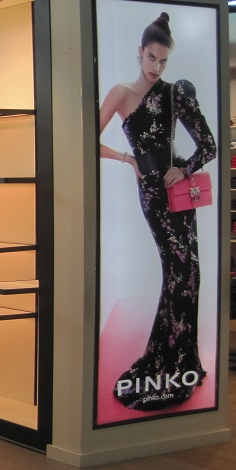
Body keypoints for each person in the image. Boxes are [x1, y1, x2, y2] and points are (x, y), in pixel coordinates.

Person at [98, 12, 216, 410]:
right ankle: (167, 359)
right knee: (179, 272)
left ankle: (180, 359)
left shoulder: (173, 93)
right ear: (140, 53)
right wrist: (126, 158)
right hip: (152, 195)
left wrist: (185, 168)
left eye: (163, 61)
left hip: (178, 191)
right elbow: (85, 136)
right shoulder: (121, 93)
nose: (157, 67)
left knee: (189, 273)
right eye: (151, 58)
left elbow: (209, 145)